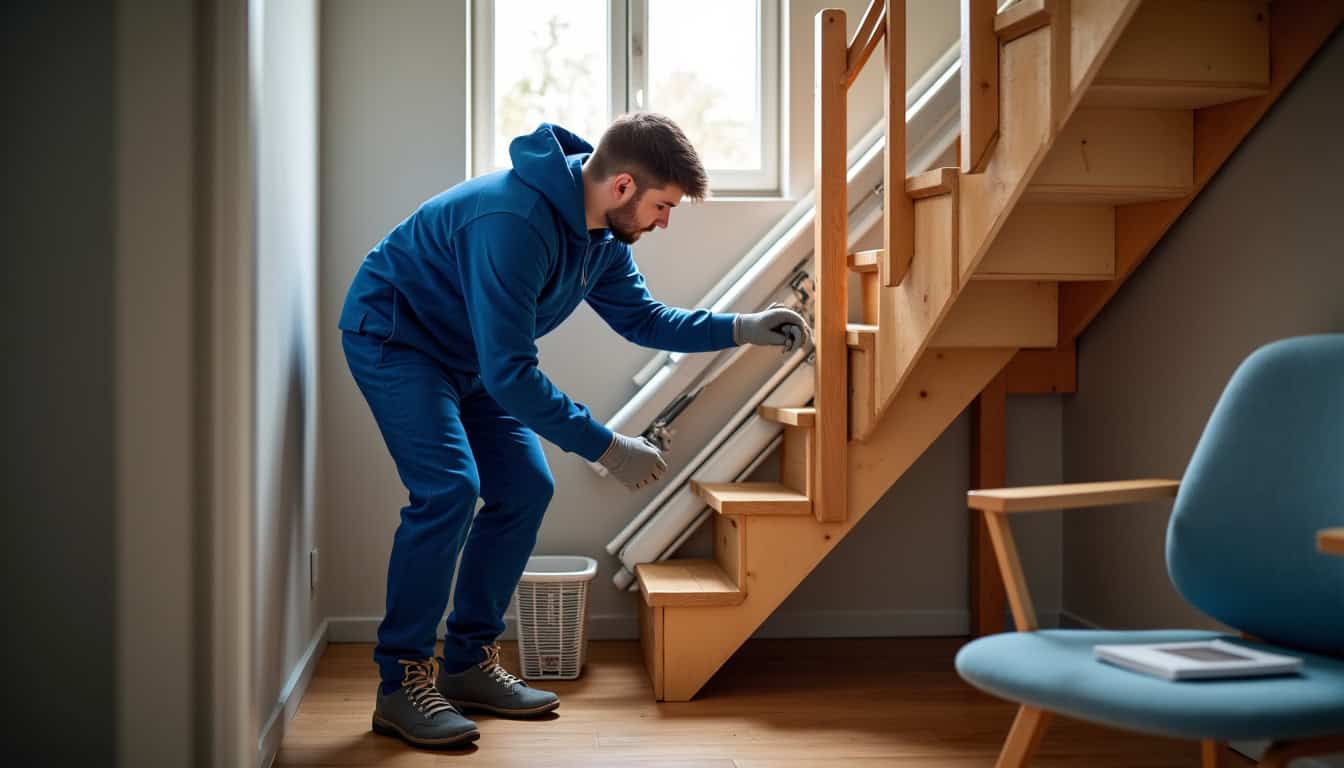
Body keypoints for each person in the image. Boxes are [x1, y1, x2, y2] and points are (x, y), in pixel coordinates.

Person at [339, 112, 810, 749]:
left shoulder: (602, 238)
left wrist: (740, 327)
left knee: (526, 487)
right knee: (449, 488)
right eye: (662, 206)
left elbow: (644, 319)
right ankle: (400, 683)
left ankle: (466, 664)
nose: (663, 221)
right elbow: (510, 375)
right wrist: (608, 447)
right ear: (622, 187)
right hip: (397, 337)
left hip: (471, 355)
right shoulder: (513, 223)